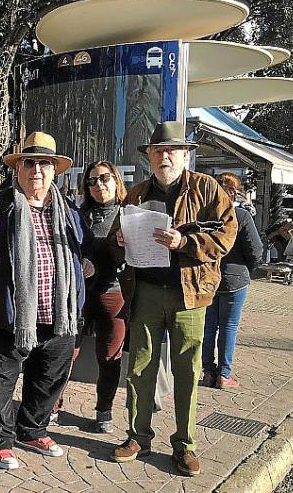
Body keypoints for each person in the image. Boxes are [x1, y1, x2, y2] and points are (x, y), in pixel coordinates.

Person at [108, 121, 237, 477]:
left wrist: (184, 243)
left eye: (171, 151)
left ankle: (185, 445)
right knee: (140, 368)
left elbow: (227, 235)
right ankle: (138, 437)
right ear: (149, 156)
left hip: (189, 294)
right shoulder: (136, 193)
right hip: (145, 292)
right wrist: (119, 241)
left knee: (187, 371)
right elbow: (117, 237)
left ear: (184, 155)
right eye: (158, 151)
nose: (164, 156)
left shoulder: (206, 188)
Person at [0, 131, 94, 470]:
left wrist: (89, 265)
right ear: (18, 168)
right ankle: (0, 441)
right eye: (30, 162)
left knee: (48, 378)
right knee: (1, 381)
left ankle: (32, 429)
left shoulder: (69, 211)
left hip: (59, 314)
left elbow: (86, 248)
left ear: (54, 171)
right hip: (11, 315)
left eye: (45, 163)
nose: (37, 170)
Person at [201, 172, 263, 389]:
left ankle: (208, 372)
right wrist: (248, 270)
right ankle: (224, 374)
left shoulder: (204, 215)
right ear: (234, 192)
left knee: (208, 326)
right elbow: (256, 250)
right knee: (229, 326)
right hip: (235, 279)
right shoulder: (241, 216)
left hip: (208, 278)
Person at [79, 161, 128, 433]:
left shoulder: (127, 214)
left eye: (104, 178)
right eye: (92, 181)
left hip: (113, 292)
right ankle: (53, 407)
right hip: (80, 294)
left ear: (116, 180)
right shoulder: (78, 215)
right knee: (66, 352)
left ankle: (104, 410)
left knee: (109, 356)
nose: (98, 185)